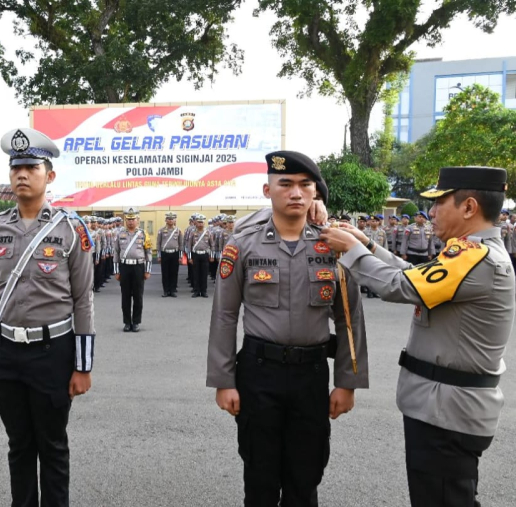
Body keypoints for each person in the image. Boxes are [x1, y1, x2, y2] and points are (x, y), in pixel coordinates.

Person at [320, 166, 513, 507]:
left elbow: (399, 286)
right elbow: (418, 275)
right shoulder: (469, 254)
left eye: (439, 203)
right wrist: (367, 245)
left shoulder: (476, 258)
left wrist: (351, 252)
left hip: (447, 412)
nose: (431, 212)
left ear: (469, 207)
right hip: (444, 408)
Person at [208, 150, 368, 507]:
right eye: (286, 184)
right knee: (260, 478)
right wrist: (223, 380)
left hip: (311, 376)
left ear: (316, 193)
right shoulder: (243, 245)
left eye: (305, 185)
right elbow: (224, 315)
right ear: (268, 191)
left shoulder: (334, 247)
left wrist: (347, 382)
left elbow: (349, 317)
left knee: (305, 478)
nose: (295, 193)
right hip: (258, 374)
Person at [0, 127, 95, 507]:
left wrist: (83, 366)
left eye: (31, 167)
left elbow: (83, 300)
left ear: (50, 175)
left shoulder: (71, 230)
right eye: (16, 168)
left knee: (53, 445)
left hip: (52, 352)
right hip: (7, 352)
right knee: (19, 444)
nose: (22, 175)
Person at [114, 207, 152, 332]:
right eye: (128, 219)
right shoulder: (120, 234)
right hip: (124, 267)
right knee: (125, 296)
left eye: (133, 219)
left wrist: (147, 270)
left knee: (138, 296)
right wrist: (116, 271)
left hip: (138, 267)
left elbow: (148, 252)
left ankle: (136, 322)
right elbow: (116, 252)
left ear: (138, 219)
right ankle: (126, 322)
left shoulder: (143, 234)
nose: (130, 221)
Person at [188, 214, 215, 298]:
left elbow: (212, 245)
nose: (200, 224)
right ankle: (196, 291)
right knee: (195, 273)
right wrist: (189, 257)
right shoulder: (192, 233)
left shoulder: (208, 233)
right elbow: (189, 245)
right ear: (196, 223)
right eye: (199, 222)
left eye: (201, 222)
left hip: (205, 255)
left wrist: (212, 256)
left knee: (204, 274)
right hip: (195, 254)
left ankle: (203, 291)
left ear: (204, 223)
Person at [157, 212, 182, 297]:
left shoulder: (178, 230)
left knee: (174, 272)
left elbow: (180, 244)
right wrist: (159, 255)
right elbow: (158, 244)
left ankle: (172, 290)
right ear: (166, 220)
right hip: (165, 253)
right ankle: (166, 291)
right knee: (165, 273)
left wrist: (180, 256)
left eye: (172, 219)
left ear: (175, 220)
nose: (170, 221)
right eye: (169, 219)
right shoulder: (161, 230)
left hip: (175, 253)